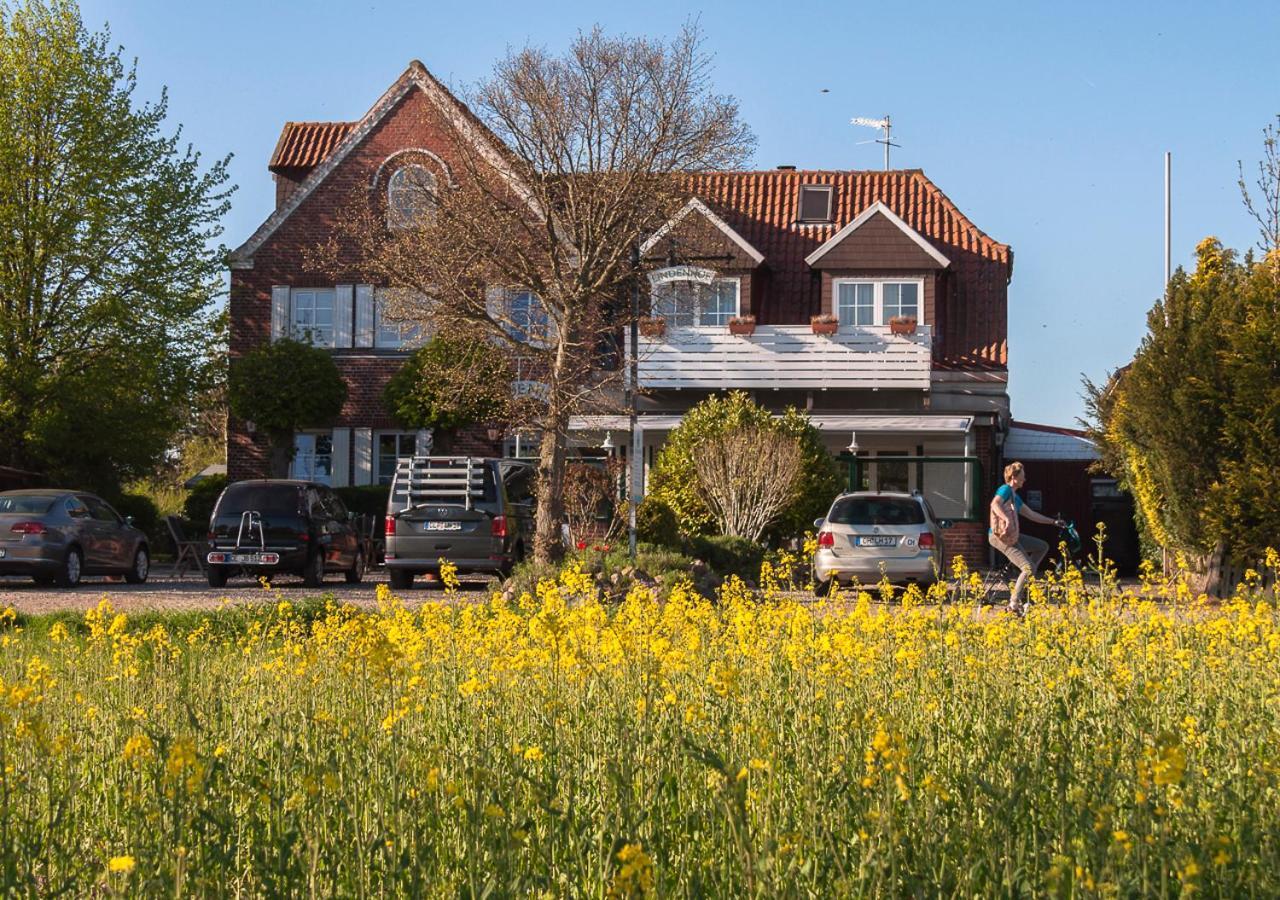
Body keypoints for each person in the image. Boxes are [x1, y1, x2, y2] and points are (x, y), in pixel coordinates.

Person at [989, 461, 1063, 614]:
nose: (1025, 479)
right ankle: (1013, 605)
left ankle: (1027, 578)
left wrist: (1053, 522)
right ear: (1014, 477)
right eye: (1022, 476)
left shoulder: (1015, 497)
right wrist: (1006, 519)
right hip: (1000, 537)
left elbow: (1031, 515)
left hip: (1012, 536)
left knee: (1042, 546)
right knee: (1027, 568)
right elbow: (994, 504)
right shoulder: (1005, 489)